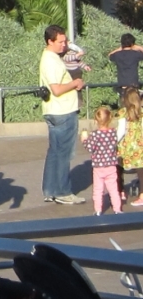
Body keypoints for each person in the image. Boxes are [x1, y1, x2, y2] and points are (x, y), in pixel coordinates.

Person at [39, 24, 86, 205]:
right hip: (62, 110)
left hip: (54, 110)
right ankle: (63, 191)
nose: (64, 45)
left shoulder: (51, 58)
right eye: (60, 42)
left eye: (65, 41)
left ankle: (50, 189)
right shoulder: (51, 60)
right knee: (64, 153)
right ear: (50, 41)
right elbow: (57, 89)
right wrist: (74, 83)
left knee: (55, 152)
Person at [80, 105, 122, 215]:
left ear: (96, 120)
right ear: (110, 118)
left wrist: (84, 139)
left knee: (98, 190)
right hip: (111, 165)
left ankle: (98, 210)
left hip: (98, 166)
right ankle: (117, 209)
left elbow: (90, 147)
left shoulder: (95, 134)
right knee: (113, 189)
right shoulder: (113, 133)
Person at [117, 87, 143, 208]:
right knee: (141, 171)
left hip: (126, 146)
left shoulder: (123, 113)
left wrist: (114, 142)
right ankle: (142, 195)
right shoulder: (141, 112)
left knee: (119, 167)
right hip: (140, 146)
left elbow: (121, 131)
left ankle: (120, 191)